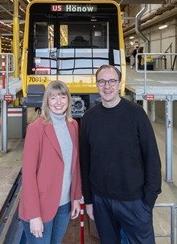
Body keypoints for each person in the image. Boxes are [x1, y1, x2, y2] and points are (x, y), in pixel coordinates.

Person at [80, 65, 162, 243]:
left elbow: (152, 158)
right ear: (96, 85)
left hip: (134, 201)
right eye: (102, 81)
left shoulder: (136, 114)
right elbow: (85, 162)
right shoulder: (89, 118)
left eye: (111, 81)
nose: (107, 86)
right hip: (101, 201)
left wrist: (149, 201)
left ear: (119, 84)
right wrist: (89, 200)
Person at [18, 80, 82, 243]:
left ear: (68, 100)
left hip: (64, 205)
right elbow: (28, 174)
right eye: (53, 98)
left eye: (62, 97)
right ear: (47, 101)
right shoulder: (36, 129)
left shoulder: (73, 125)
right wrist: (34, 215)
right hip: (41, 206)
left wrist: (76, 197)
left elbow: (75, 165)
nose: (59, 102)